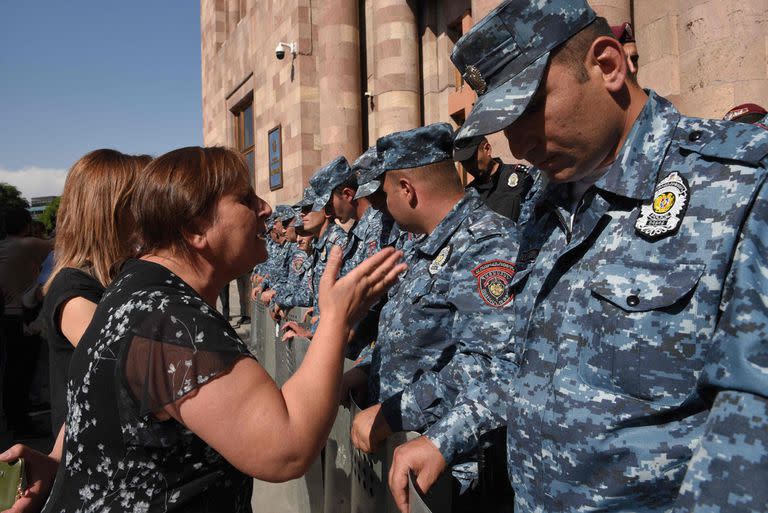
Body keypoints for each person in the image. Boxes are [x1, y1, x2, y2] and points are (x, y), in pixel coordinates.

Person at [389, 1, 768, 512]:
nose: (517, 145)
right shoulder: (545, 207)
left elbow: (750, 428)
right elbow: (521, 362)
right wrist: (447, 434)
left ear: (608, 66)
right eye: (503, 124)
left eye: (528, 110)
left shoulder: (737, 188)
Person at [1, 146, 405, 513]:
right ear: (196, 229)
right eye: (245, 200)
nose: (266, 209)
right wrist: (337, 319)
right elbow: (286, 447)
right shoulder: (169, 322)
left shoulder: (137, 289)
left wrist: (60, 460)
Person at [347, 123, 519, 510]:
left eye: (387, 191)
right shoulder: (423, 247)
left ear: (407, 190)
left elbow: (495, 368)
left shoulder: (486, 244)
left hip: (453, 476)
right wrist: (366, 367)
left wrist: (394, 413)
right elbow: (413, 339)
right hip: (405, 458)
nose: (383, 205)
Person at [42, 149, 151, 437]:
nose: (148, 210)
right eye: (137, 201)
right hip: (93, 464)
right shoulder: (74, 291)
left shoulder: (115, 277)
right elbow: (141, 372)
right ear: (110, 212)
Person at [0, 206, 53, 436]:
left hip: (7, 314)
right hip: (25, 315)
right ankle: (21, 424)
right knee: (23, 370)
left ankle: (15, 416)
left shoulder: (3, 247)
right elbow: (62, 242)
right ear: (27, 225)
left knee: (13, 370)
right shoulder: (28, 245)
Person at [455, 136, 533, 221]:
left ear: (487, 149)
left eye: (471, 159)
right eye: (463, 162)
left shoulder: (522, 178)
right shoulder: (467, 195)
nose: (468, 166)